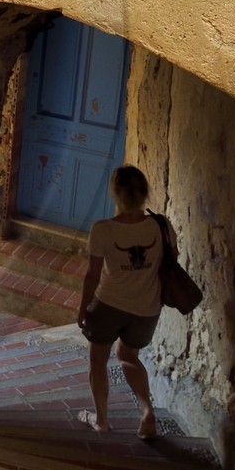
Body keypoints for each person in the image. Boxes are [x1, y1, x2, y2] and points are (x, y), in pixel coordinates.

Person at [76, 165, 163, 438]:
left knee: (98, 360)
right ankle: (146, 410)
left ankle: (101, 420)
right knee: (128, 356)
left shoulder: (103, 230)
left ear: (115, 194)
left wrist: (83, 308)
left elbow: (92, 276)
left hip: (108, 305)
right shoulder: (161, 226)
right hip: (147, 309)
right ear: (145, 193)